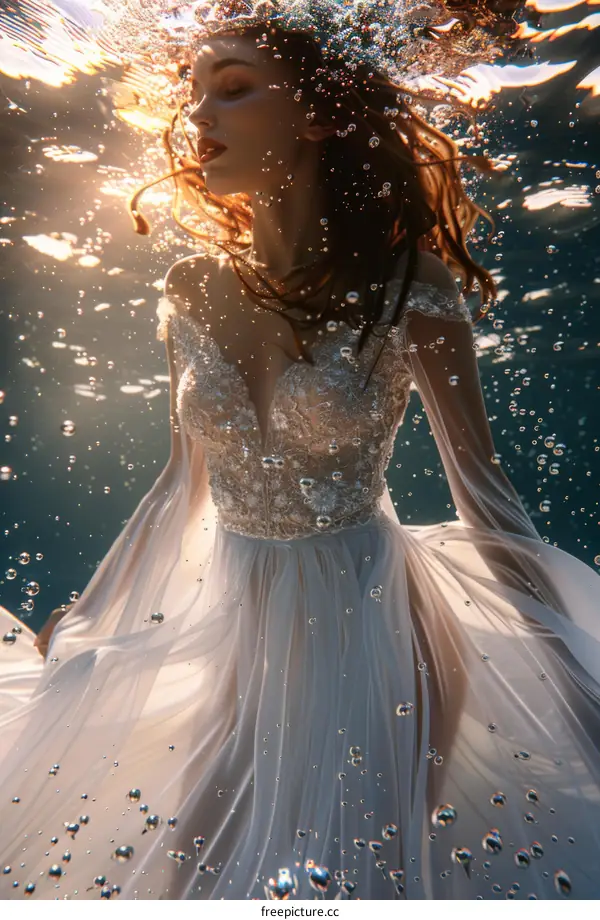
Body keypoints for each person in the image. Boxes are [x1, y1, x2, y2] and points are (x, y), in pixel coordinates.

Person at [1, 0, 600, 902]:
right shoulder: (190, 286)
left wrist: (575, 680)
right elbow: (179, 487)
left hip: (383, 636)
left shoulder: (411, 286)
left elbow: (488, 501)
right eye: (193, 94)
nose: (198, 117)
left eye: (232, 89)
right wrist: (94, 615)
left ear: (320, 114)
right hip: (241, 632)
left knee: (360, 887)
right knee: (184, 881)